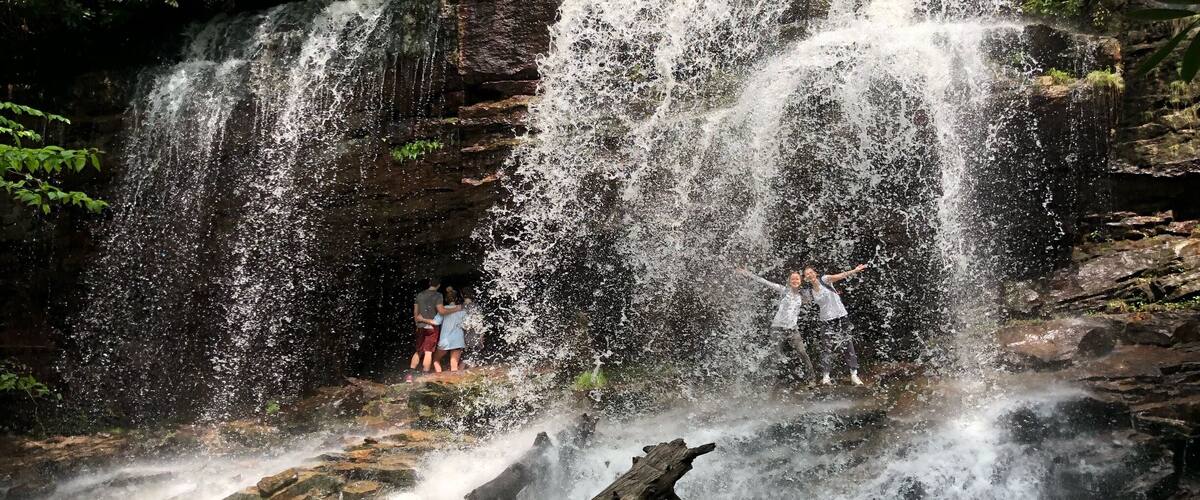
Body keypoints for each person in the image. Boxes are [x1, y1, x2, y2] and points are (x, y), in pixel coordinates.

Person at [737, 266, 817, 384]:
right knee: (775, 355)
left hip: (792, 330)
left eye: (797, 279)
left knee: (802, 352)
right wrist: (747, 274)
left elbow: (816, 292)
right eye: (793, 279)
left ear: (801, 282)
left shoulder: (803, 295)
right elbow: (764, 282)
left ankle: (812, 379)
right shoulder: (783, 290)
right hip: (777, 328)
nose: (795, 281)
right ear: (789, 281)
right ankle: (769, 381)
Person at [805, 264, 868, 386]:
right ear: (805, 278)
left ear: (815, 273)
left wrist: (855, 270)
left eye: (811, 272)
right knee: (826, 348)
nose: (809, 275)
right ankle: (826, 376)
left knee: (847, 344)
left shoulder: (825, 280)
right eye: (806, 274)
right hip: (826, 321)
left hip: (841, 317)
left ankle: (854, 374)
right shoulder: (810, 292)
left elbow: (841, 276)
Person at [409, 278, 462, 382]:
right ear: (438, 286)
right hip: (432, 327)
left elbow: (415, 313)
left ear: (429, 283)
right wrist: (457, 308)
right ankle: (425, 375)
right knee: (428, 352)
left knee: (419, 351)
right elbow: (442, 311)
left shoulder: (419, 295)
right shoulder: (438, 295)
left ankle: (410, 375)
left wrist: (418, 323)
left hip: (420, 326)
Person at [433, 288, 469, 372]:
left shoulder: (443, 309)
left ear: (445, 299)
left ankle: (439, 379)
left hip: (445, 339)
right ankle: (454, 382)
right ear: (457, 299)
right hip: (457, 340)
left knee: (436, 360)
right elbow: (466, 325)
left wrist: (422, 319)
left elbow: (436, 322)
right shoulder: (462, 311)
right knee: (454, 367)